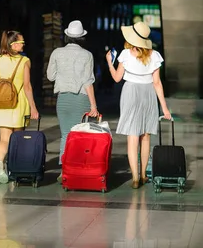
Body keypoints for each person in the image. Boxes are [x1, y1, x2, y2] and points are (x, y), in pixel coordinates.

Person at [106, 21, 172, 189]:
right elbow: (157, 83)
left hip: (130, 93)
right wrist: (164, 108)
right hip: (148, 94)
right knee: (146, 136)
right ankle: (143, 175)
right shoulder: (154, 55)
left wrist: (109, 62)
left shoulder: (125, 54)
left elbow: (116, 78)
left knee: (132, 137)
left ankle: (135, 177)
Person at [46, 20, 99, 181]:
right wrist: (94, 105)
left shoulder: (56, 53)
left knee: (65, 135)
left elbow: (50, 76)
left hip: (63, 99)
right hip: (81, 99)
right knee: (79, 136)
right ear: (81, 38)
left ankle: (64, 171)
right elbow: (88, 81)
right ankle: (77, 168)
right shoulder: (87, 55)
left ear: (67, 36)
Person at [0, 30, 39, 184]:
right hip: (18, 103)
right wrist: (33, 108)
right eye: (21, 42)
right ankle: (14, 167)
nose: (24, 44)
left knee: (4, 139)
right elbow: (27, 86)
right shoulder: (24, 61)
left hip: (2, 103)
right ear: (13, 44)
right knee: (17, 139)